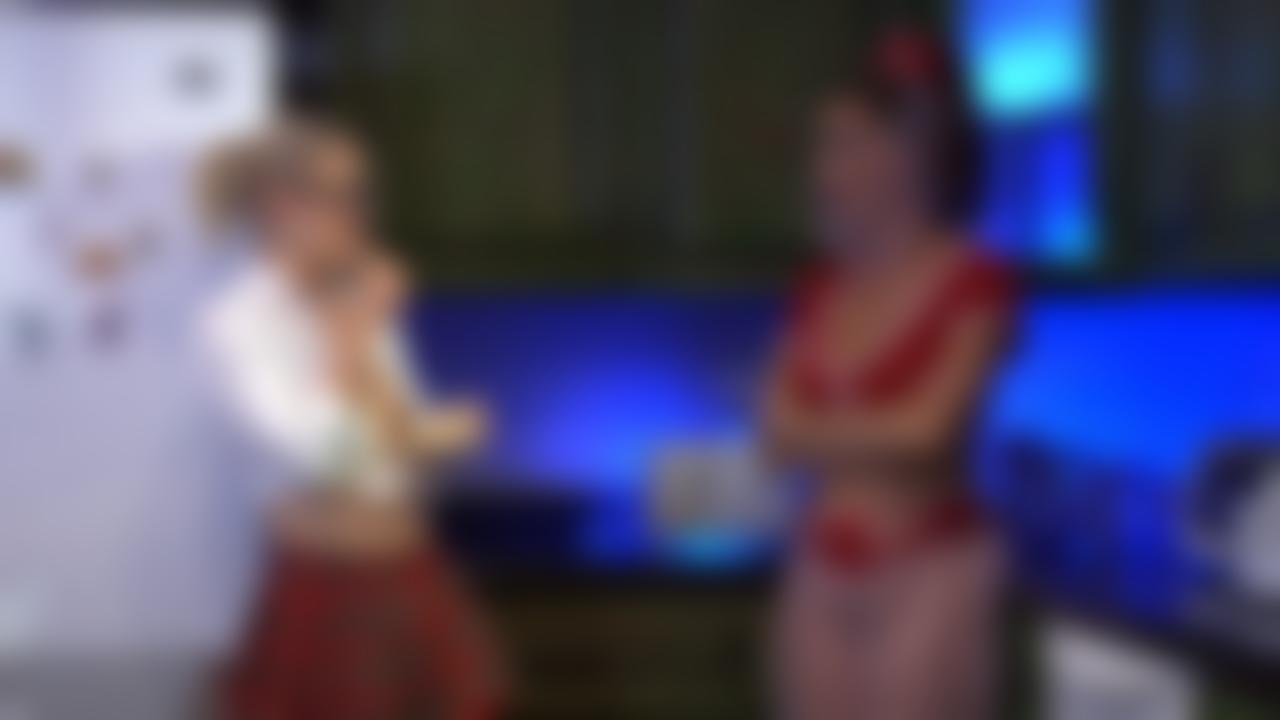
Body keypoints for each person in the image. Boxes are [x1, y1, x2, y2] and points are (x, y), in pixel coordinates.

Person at [198, 118, 503, 719]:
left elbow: (397, 437)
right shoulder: (237, 325)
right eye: (345, 197)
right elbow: (328, 459)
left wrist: (437, 431)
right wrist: (355, 336)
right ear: (282, 207)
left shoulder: (352, 296)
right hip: (325, 589)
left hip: (413, 571)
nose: (363, 216)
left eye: (365, 196)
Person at [764, 30, 1016, 720]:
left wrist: (818, 430)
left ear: (909, 150)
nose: (824, 170)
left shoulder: (975, 282)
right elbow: (774, 431)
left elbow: (929, 432)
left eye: (845, 145)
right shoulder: (818, 287)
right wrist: (872, 430)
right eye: (822, 147)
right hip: (820, 567)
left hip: (929, 571)